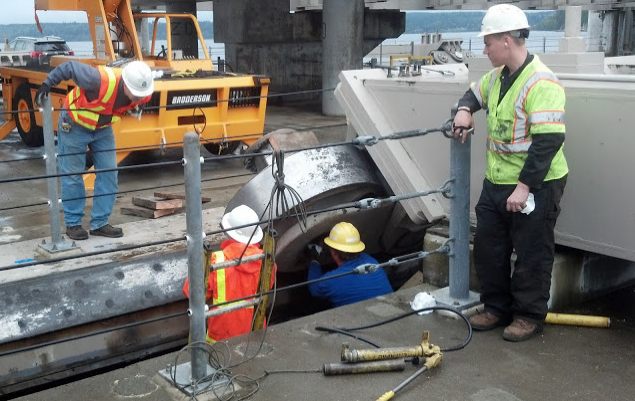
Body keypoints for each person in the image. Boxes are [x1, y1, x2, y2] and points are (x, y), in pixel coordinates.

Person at [452, 4, 568, 342]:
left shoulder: (541, 82)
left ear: (506, 40)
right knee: (489, 247)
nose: (484, 49)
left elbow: (548, 142)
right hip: (498, 183)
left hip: (536, 184)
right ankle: (496, 307)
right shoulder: (496, 78)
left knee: (532, 252)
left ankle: (528, 316)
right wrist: (463, 111)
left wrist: (524, 188)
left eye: (488, 43)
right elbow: (472, 94)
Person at [34, 60, 154, 240]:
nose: (139, 99)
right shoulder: (97, 80)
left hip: (103, 129)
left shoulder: (143, 91)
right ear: (125, 83)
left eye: (141, 95)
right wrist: (47, 84)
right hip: (74, 124)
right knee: (73, 175)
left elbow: (135, 99)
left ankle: (100, 223)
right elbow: (69, 67)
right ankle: (73, 224)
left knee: (109, 173)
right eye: (136, 94)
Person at [183, 205, 275, 343]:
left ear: (228, 231)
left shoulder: (216, 261)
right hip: (254, 336)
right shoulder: (267, 261)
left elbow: (191, 292)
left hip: (219, 340)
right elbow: (267, 285)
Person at [307, 222, 393, 307]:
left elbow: (314, 289)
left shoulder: (331, 281)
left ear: (333, 252)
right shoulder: (372, 261)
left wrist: (315, 259)